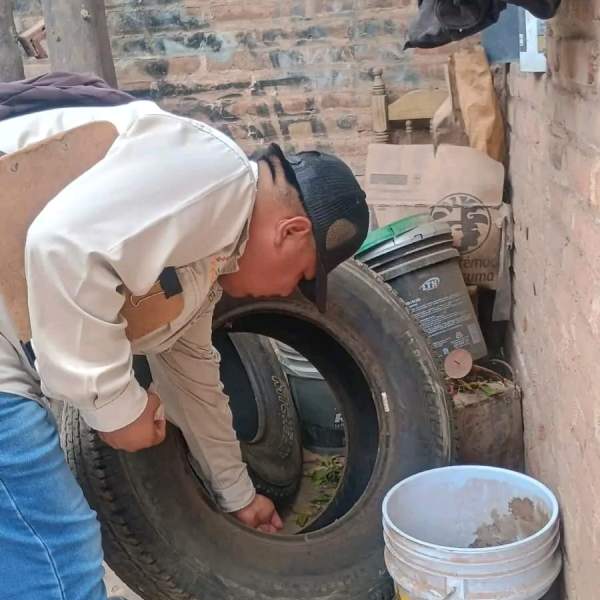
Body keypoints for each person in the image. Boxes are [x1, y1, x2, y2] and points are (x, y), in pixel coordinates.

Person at [0, 73, 369, 600]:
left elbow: (194, 383)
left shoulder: (204, 259)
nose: (287, 291)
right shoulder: (216, 175)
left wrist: (239, 497)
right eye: (301, 277)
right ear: (291, 232)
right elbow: (61, 246)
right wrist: (116, 408)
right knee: (58, 561)